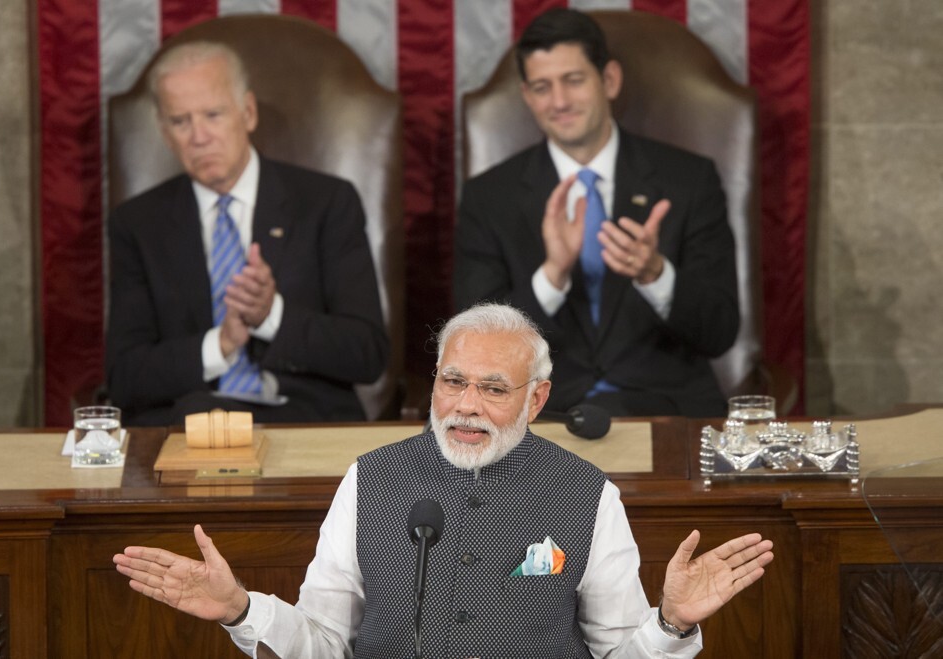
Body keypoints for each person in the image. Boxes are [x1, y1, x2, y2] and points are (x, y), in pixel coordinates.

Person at [114, 303, 773, 658]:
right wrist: (240, 609)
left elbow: (617, 654)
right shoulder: (369, 479)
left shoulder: (588, 494)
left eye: (493, 388)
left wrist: (671, 623)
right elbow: (322, 644)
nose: (465, 405)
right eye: (452, 380)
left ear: (536, 399)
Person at [454, 8, 739, 417]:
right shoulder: (489, 196)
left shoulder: (689, 180)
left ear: (609, 80)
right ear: (527, 96)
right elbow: (476, 348)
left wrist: (655, 274)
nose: (560, 102)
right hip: (540, 418)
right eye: (542, 87)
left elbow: (720, 331)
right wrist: (551, 277)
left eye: (573, 81)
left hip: (666, 411)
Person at [105, 41, 388, 425]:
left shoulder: (325, 203)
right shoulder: (137, 224)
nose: (198, 136)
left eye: (213, 114)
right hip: (188, 428)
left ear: (248, 112)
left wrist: (271, 315)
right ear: (164, 132)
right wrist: (219, 345)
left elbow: (367, 354)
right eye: (180, 121)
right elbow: (124, 377)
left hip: (304, 423)